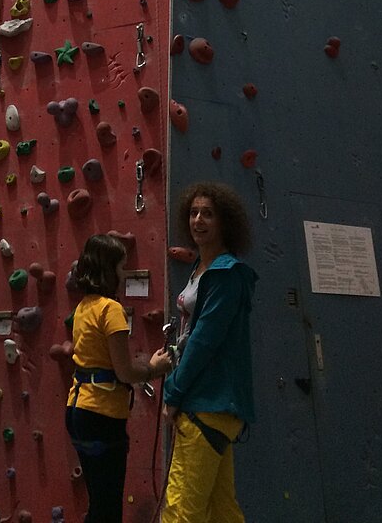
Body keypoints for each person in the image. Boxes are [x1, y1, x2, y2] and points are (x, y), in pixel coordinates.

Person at [161, 182, 257, 523]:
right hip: (211, 402)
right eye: (193, 212)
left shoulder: (225, 274)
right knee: (221, 510)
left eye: (208, 214)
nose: (198, 220)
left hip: (206, 400)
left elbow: (204, 340)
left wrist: (173, 391)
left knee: (181, 510)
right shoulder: (202, 270)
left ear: (224, 222)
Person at [66, 233, 172, 523]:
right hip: (102, 413)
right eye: (121, 267)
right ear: (108, 269)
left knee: (99, 503)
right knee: (108, 508)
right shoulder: (111, 309)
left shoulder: (83, 307)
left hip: (78, 409)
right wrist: (154, 367)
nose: (124, 275)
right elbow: (124, 371)